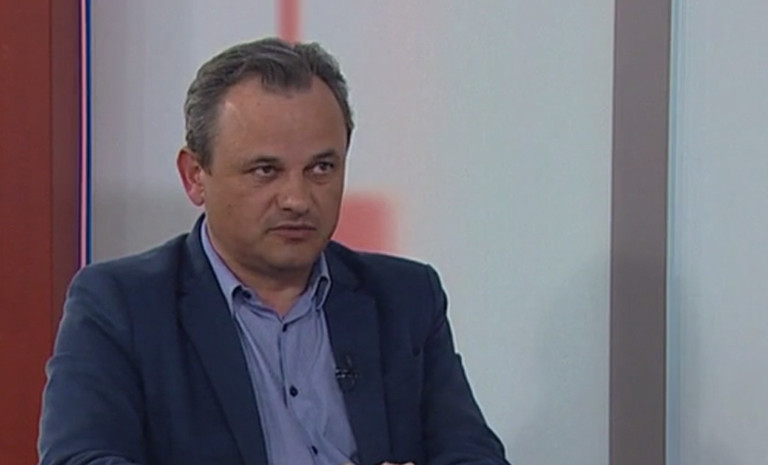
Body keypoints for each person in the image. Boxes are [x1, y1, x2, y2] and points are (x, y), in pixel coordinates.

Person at [38, 37, 510, 465]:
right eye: (266, 170)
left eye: (321, 168)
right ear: (195, 176)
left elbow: (474, 456)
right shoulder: (121, 306)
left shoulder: (405, 298)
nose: (297, 199)